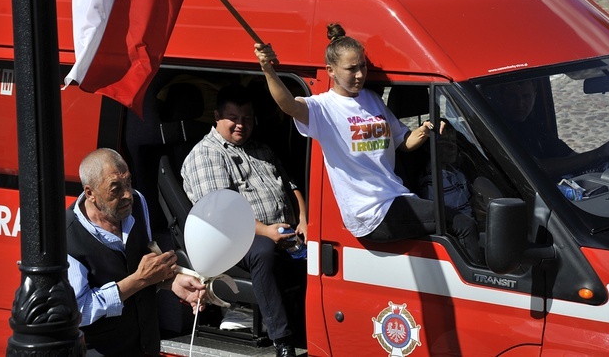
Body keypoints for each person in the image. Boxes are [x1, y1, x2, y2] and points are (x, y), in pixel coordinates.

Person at [254, 23, 481, 263]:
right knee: (462, 224)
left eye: (362, 66)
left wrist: (426, 129)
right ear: (331, 71)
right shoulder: (323, 108)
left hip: (396, 198)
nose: (361, 74)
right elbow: (288, 105)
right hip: (370, 213)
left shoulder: (372, 99)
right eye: (351, 69)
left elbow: (404, 142)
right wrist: (267, 69)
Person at [181, 84, 306, 357]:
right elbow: (221, 214)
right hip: (232, 238)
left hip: (284, 230)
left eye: (247, 119)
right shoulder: (207, 154)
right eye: (233, 118)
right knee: (263, 251)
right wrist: (267, 232)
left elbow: (291, 184)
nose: (241, 125)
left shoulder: (260, 148)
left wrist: (304, 220)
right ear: (217, 117)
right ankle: (283, 340)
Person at [66, 148, 207, 357]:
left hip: (146, 345)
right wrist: (139, 280)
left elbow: (143, 266)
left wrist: (172, 282)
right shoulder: (68, 235)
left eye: (129, 183)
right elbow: (79, 310)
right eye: (115, 189)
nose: (127, 195)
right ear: (90, 193)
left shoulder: (138, 203)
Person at [496, 80, 609, 178]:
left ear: (535, 96)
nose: (520, 104)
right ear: (501, 98)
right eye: (513, 97)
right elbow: (539, 169)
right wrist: (596, 153)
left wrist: (601, 158)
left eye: (526, 96)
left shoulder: (534, 125)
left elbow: (569, 156)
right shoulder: (500, 129)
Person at [417, 120, 474, 218]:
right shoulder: (433, 181)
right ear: (428, 147)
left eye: (453, 141)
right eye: (444, 142)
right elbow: (453, 219)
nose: (453, 147)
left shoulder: (455, 171)